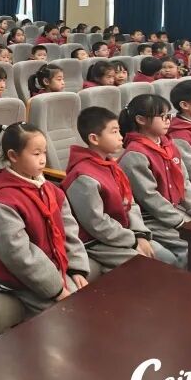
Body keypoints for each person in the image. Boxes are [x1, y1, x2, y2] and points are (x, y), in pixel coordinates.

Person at [0, 121, 90, 314]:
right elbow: (19, 256)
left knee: (87, 301)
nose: (43, 160)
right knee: (71, 314)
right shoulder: (4, 202)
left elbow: (69, 230)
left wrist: (76, 268)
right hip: (19, 276)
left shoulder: (51, 190)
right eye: (36, 154)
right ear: (13, 156)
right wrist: (57, 289)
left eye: (44, 153)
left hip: (51, 266)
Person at [64, 107, 174, 272]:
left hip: (124, 233)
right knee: (153, 267)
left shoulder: (111, 165)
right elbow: (97, 224)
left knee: (168, 258)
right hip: (98, 242)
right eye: (114, 132)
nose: (120, 136)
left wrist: (139, 234)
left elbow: (130, 202)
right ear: (94, 139)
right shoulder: (83, 177)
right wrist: (132, 240)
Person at [117, 94, 191, 266]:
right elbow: (149, 197)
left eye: (169, 115)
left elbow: (184, 181)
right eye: (162, 116)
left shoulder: (168, 145)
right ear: (141, 120)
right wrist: (180, 221)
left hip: (175, 210)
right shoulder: (135, 155)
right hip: (153, 218)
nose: (168, 121)